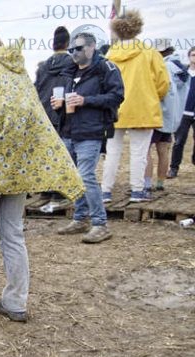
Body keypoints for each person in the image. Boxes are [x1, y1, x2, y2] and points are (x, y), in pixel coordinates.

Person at [0, 15, 84, 322]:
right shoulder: (16, 67)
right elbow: (32, 113)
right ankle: (15, 302)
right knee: (13, 235)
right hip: (18, 168)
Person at [53, 32, 125, 244]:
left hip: (91, 131)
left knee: (86, 176)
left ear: (92, 47)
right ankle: (80, 218)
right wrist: (60, 106)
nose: (74, 53)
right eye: (71, 49)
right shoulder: (69, 72)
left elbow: (117, 96)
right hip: (69, 130)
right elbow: (68, 102)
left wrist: (86, 100)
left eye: (78, 48)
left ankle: (100, 224)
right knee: (73, 178)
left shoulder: (106, 68)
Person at [100, 9, 169, 203]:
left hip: (114, 110)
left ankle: (105, 191)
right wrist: (152, 96)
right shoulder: (150, 53)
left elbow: (102, 82)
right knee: (140, 152)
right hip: (143, 108)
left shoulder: (109, 55)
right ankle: (138, 190)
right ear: (138, 28)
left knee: (112, 151)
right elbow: (163, 83)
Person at [34, 26, 73, 211]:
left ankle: (45, 191)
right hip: (63, 115)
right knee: (62, 156)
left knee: (45, 155)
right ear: (68, 43)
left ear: (53, 44)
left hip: (44, 114)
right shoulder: (72, 63)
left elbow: (36, 89)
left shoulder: (43, 67)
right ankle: (60, 193)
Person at [145, 40, 188, 190]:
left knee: (145, 151)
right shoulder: (181, 68)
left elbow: (158, 89)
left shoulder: (163, 66)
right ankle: (160, 184)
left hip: (157, 114)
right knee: (163, 151)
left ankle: (147, 185)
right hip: (172, 117)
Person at [167, 46, 195, 179]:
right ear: (189, 57)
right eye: (193, 55)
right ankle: (173, 168)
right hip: (183, 112)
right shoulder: (182, 73)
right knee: (179, 141)